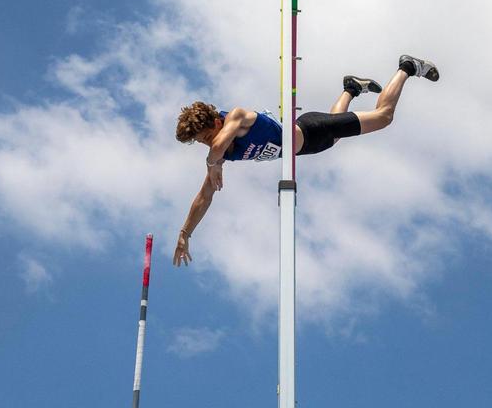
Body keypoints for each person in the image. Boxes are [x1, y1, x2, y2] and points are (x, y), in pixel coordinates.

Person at [172, 54, 439, 265]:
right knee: (336, 139)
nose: (206, 144)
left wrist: (212, 162)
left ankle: (407, 67)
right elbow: (205, 195)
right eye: (201, 142)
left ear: (217, 121)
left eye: (205, 136)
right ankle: (351, 88)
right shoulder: (221, 153)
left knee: (383, 117)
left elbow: (216, 146)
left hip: (312, 129)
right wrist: (185, 233)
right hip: (310, 143)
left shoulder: (236, 118)